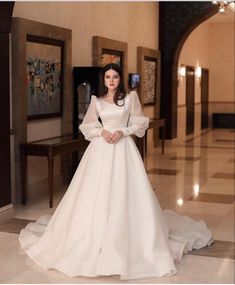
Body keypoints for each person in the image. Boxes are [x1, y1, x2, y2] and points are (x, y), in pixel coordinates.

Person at [19, 63, 213, 281]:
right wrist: (102, 131)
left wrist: (122, 131)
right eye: (108, 77)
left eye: (115, 77)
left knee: (125, 190)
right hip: (101, 150)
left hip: (123, 149)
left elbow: (140, 124)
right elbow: (87, 126)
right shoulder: (97, 101)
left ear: (120, 80)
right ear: (104, 80)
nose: (111, 81)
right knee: (96, 191)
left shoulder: (130, 98)